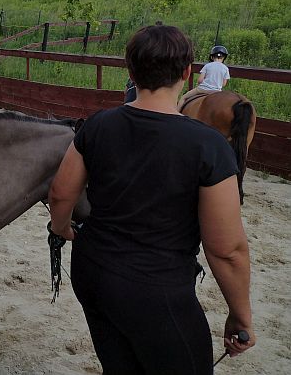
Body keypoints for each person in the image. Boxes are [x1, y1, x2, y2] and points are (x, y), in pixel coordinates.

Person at [49, 26, 255, 374]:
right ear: (187, 72)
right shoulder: (209, 146)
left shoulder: (98, 124)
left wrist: (61, 228)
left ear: (131, 72)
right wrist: (240, 314)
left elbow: (60, 192)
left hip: (92, 270)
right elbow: (227, 249)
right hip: (157, 286)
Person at [177, 45, 230, 110]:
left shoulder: (207, 66)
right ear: (224, 57)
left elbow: (200, 80)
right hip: (216, 92)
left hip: (203, 89)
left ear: (212, 57)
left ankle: (177, 112)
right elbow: (223, 84)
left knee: (184, 97)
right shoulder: (225, 68)